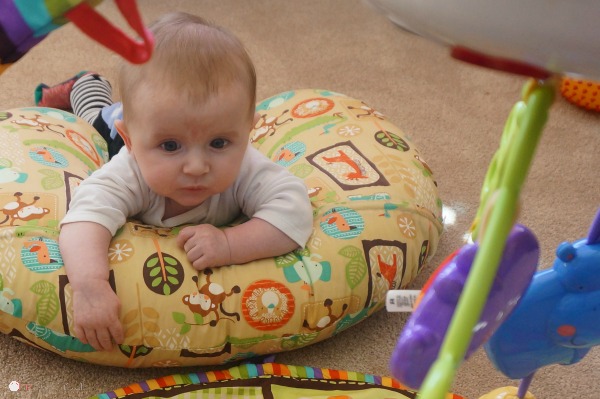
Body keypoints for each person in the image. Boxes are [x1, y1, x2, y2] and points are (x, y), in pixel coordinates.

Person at [53, 12, 313, 352]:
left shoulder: (247, 166)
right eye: (171, 146)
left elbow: (294, 212)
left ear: (248, 132)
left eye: (219, 143)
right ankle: (85, 86)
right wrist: (89, 285)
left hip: (149, 126)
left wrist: (230, 244)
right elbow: (83, 218)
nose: (196, 166)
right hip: (118, 132)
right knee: (97, 122)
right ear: (132, 141)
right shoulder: (129, 167)